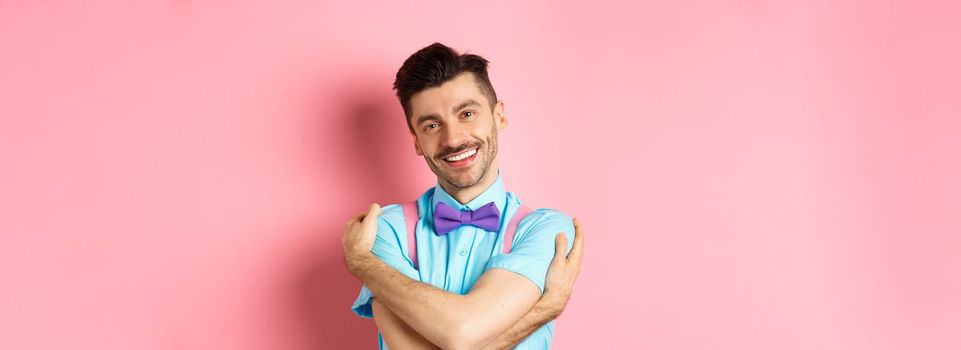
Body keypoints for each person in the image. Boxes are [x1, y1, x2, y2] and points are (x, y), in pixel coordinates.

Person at [342, 42, 584, 349]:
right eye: (432, 125)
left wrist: (363, 264)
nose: (453, 139)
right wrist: (543, 310)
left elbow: (460, 334)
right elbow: (453, 338)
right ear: (417, 142)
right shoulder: (384, 230)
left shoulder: (546, 230)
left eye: (467, 113)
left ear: (499, 116)